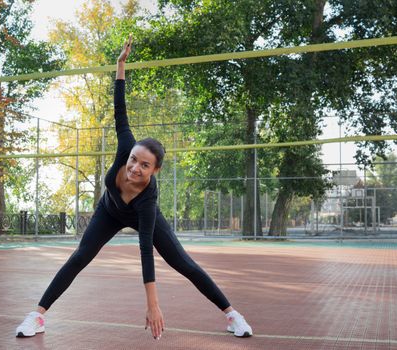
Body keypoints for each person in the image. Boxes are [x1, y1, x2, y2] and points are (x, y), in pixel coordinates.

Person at [16, 35, 253, 340]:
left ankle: (232, 315)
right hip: (110, 211)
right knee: (79, 257)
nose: (134, 168)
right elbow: (120, 110)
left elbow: (145, 249)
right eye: (133, 161)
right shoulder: (126, 147)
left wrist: (152, 305)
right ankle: (37, 316)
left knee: (183, 263)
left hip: (137, 215)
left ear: (155, 171)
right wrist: (120, 65)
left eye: (145, 166)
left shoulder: (148, 200)